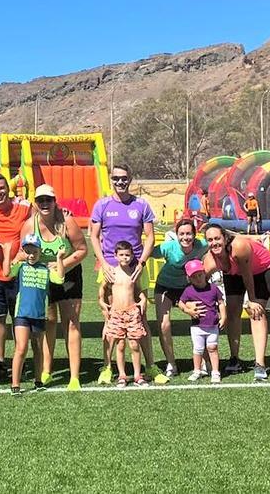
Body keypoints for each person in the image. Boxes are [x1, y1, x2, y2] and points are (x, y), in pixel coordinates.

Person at [90, 164, 161, 383]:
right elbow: (93, 236)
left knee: (141, 317)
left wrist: (141, 262)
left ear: (130, 179)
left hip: (136, 268)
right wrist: (103, 264)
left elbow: (150, 237)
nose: (120, 182)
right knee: (110, 318)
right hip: (111, 269)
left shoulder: (141, 205)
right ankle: (107, 367)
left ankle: (150, 367)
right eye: (116, 178)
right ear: (111, 179)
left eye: (124, 178)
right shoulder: (102, 205)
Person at [30, 184, 89, 389]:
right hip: (43, 278)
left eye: (48, 200)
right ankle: (47, 370)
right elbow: (24, 251)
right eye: (41, 200)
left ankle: (74, 376)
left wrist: (62, 264)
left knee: (71, 323)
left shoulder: (67, 221)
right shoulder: (30, 225)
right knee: (48, 323)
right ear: (36, 203)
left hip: (69, 276)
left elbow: (82, 250)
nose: (45, 204)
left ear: (55, 201)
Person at [200, 224, 270, 380]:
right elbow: (199, 283)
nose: (214, 243)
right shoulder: (210, 259)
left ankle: (260, 364)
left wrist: (253, 300)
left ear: (225, 238)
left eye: (217, 238)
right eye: (210, 240)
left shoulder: (239, 246)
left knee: (256, 313)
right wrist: (192, 304)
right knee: (232, 312)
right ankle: (234, 358)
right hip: (234, 273)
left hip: (262, 271)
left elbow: (247, 275)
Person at [0, 172, 30, 381]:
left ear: (7, 189)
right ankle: (0, 363)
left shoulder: (24, 207)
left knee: (21, 319)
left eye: (1, 188)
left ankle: (21, 361)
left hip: (20, 273)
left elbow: (36, 227)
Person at [8, 234, 67, 396]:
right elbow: (7, 272)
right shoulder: (20, 267)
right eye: (28, 251)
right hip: (22, 314)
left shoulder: (45, 269)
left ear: (40, 251)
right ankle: (15, 384)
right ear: (23, 251)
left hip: (39, 315)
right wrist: (8, 254)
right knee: (21, 348)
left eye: (34, 251)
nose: (31, 255)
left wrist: (60, 259)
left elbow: (60, 279)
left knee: (38, 348)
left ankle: (38, 380)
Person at [151, 218, 207, 380]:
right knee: (164, 324)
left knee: (200, 317)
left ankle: (203, 361)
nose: (185, 237)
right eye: (181, 234)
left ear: (195, 235)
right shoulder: (168, 247)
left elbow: (219, 241)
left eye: (189, 234)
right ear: (176, 235)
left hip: (187, 288)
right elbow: (145, 251)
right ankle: (171, 363)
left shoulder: (202, 245)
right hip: (165, 286)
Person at [100, 241, 147, 387]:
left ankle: (138, 375)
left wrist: (143, 299)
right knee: (120, 345)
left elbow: (138, 290)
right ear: (115, 256)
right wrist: (102, 302)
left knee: (134, 344)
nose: (124, 258)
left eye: (127, 255)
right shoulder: (112, 273)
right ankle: (122, 375)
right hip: (116, 313)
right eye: (121, 255)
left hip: (132, 312)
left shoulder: (134, 273)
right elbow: (102, 290)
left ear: (132, 255)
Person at [178, 259, 224, 383]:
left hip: (212, 325)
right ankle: (197, 370)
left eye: (200, 275)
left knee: (212, 347)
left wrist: (224, 317)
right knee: (197, 349)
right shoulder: (189, 290)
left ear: (204, 273)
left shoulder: (213, 288)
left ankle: (215, 371)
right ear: (189, 278)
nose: (198, 278)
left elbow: (220, 303)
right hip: (197, 326)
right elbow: (180, 303)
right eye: (194, 277)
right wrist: (189, 311)